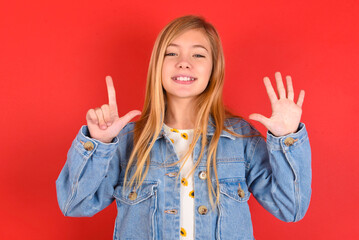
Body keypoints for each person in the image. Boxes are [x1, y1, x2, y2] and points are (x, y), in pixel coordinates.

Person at [56, 15, 311, 240]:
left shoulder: (240, 138)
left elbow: (290, 209)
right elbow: (74, 203)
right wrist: (98, 144)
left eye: (198, 54)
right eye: (171, 53)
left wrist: (286, 137)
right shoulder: (126, 142)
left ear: (214, 68)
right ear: (158, 65)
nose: (184, 62)